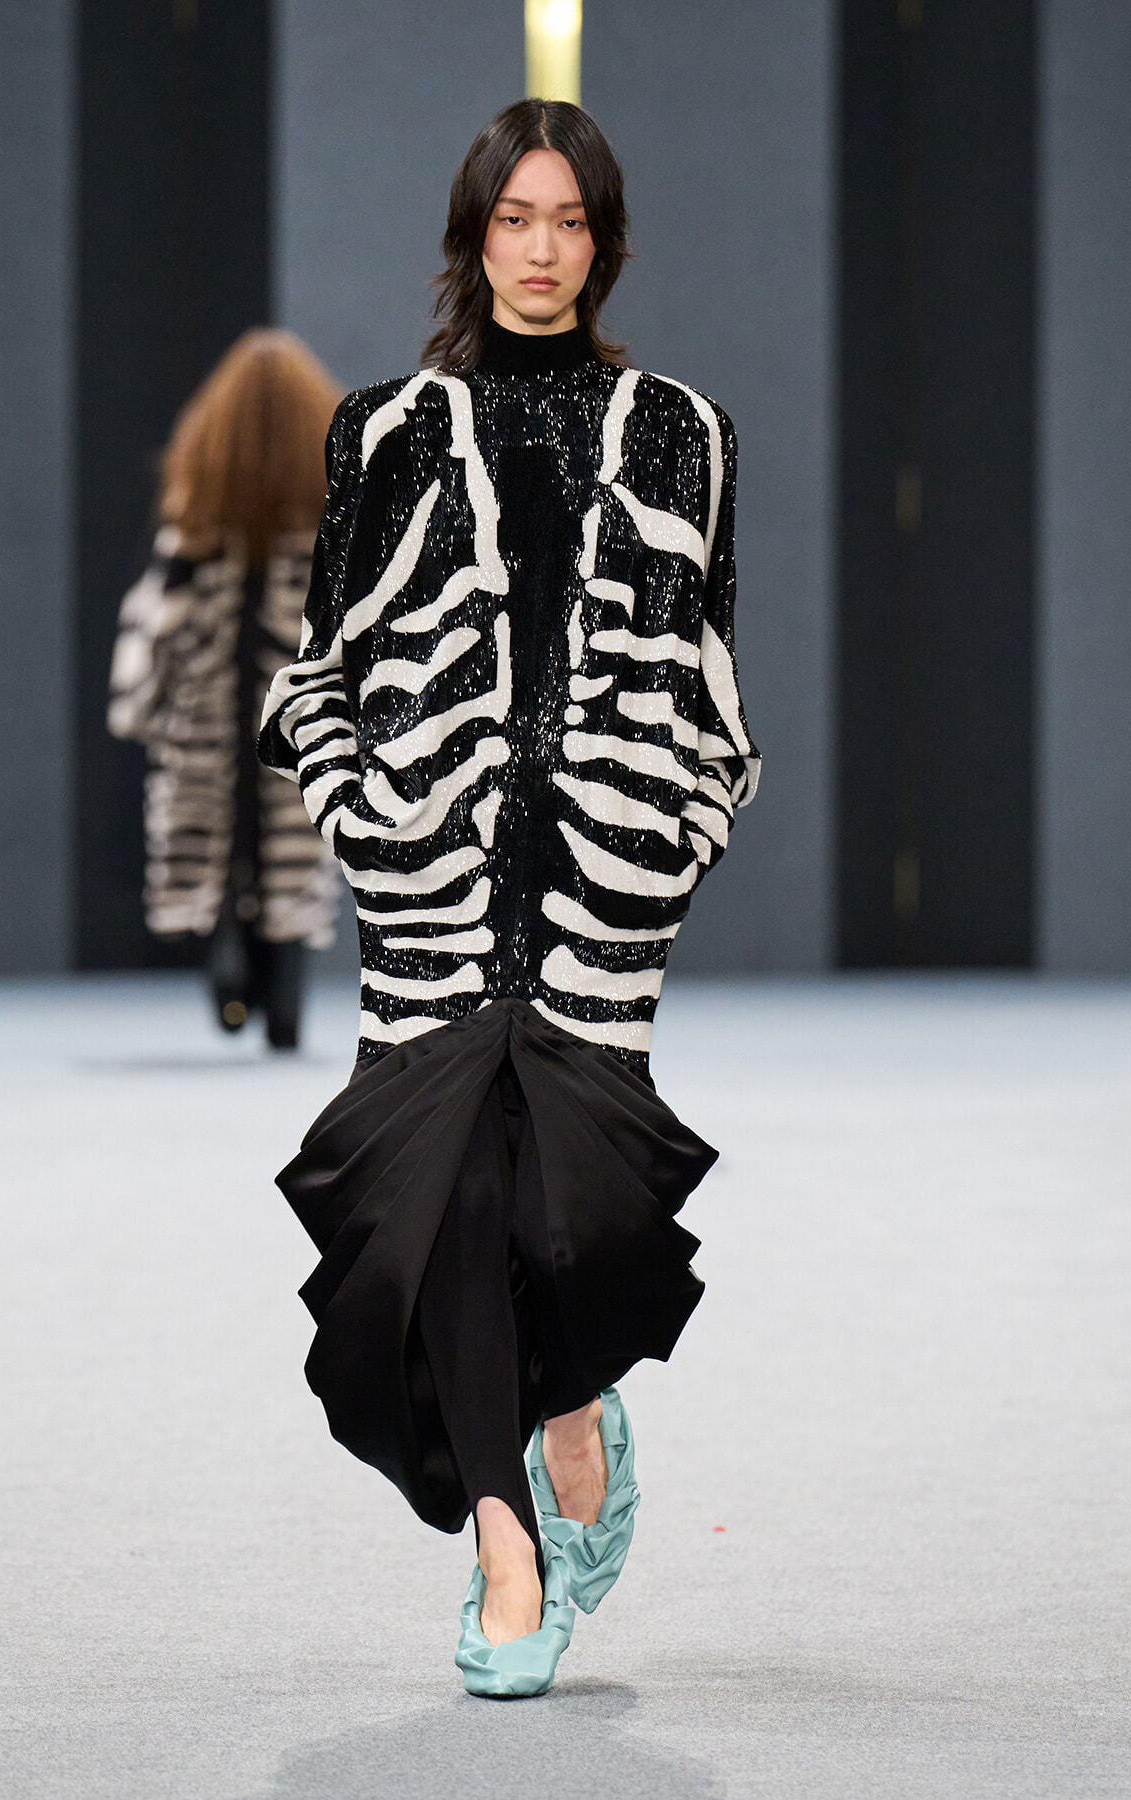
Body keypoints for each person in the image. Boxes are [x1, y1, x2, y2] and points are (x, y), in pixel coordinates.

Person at [259, 99, 759, 1695]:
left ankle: (569, 1407)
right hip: (430, 891)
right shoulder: (385, 427)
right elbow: (327, 662)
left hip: (601, 897)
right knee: (450, 1214)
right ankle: (504, 1548)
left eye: (569, 221)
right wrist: (359, 812)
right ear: (474, 238)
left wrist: (676, 822)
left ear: (603, 240)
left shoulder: (683, 428)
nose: (542, 251)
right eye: (513, 221)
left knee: (572, 1220)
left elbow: (706, 667)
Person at [109, 329, 345, 1050]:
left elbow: (156, 626)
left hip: (205, 723)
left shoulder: (198, 529)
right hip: (300, 724)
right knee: (292, 851)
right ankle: (279, 980)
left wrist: (141, 704)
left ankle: (230, 962)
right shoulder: (332, 530)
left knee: (213, 845)